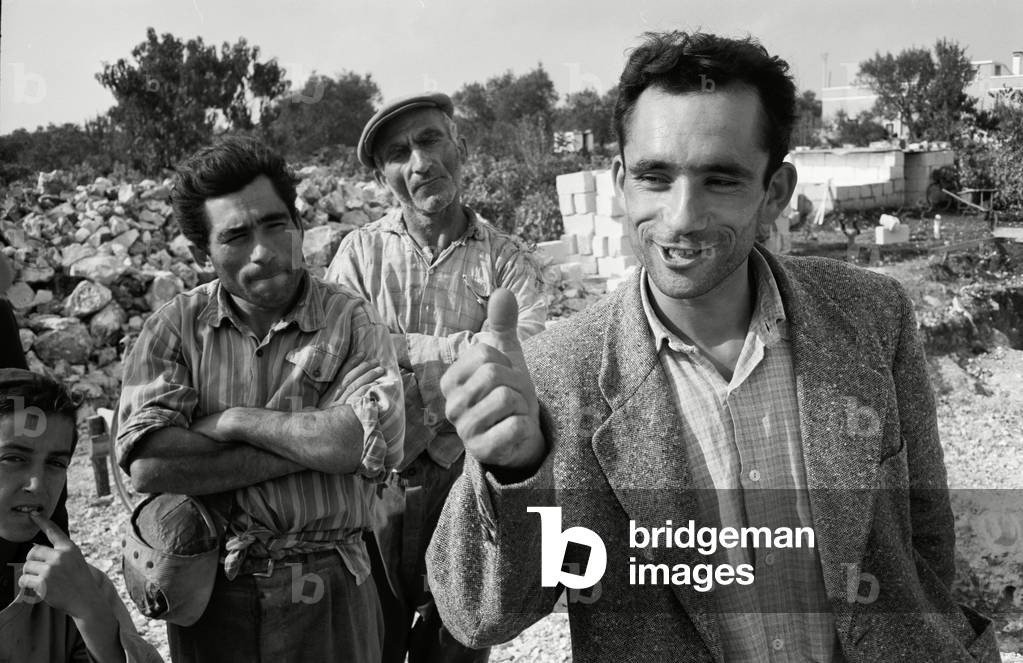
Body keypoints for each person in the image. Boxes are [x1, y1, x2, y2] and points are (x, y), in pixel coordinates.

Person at [427, 31, 1000, 663]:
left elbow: (926, 535)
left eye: (720, 180)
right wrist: (511, 471)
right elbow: (475, 613)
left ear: (775, 192)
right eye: (654, 177)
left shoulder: (871, 316)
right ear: (621, 182)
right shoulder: (560, 377)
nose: (681, 216)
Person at [115, 136, 405, 663]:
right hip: (217, 591)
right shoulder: (174, 330)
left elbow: (351, 444)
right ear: (205, 252)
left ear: (298, 226)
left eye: (275, 225)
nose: (263, 252)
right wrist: (310, 438)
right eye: (236, 236)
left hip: (332, 586)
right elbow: (151, 465)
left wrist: (227, 421)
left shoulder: (350, 319)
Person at [325, 92, 546, 662]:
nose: (420, 162)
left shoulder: (506, 260)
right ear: (381, 176)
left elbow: (531, 358)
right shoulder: (359, 254)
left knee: (459, 638)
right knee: (370, 638)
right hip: (375, 483)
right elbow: (337, 359)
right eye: (399, 152)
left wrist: (397, 353)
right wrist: (467, 353)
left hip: (468, 482)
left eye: (430, 140)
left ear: (461, 148)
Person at [0, 368, 163, 663]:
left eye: (55, 463)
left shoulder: (74, 586)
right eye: (13, 458)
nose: (36, 484)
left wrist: (90, 613)